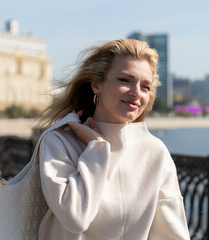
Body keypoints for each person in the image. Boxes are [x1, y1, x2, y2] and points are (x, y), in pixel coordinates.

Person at [36, 39, 190, 240]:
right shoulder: (59, 142)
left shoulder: (154, 152)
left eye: (145, 86)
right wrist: (97, 149)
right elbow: (75, 218)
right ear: (96, 84)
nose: (136, 93)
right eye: (125, 80)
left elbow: (172, 235)